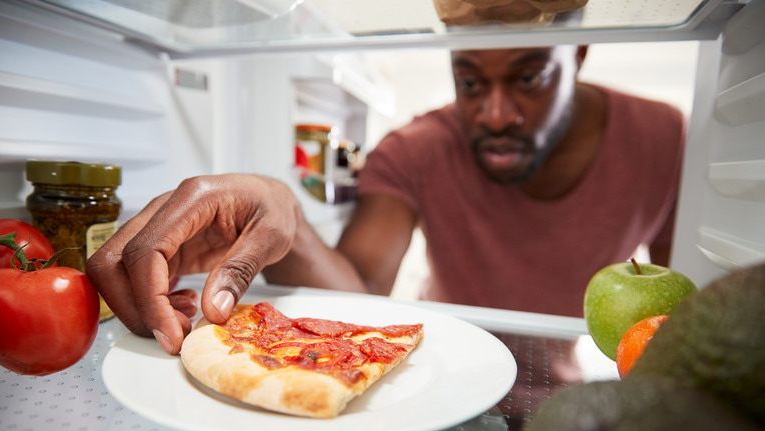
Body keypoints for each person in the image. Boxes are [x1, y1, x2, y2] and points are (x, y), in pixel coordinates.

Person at [86, 45, 686, 355]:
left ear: (578, 55)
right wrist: (283, 209)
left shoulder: (662, 138)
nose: (495, 113)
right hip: (446, 368)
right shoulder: (415, 149)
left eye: (529, 78)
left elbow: (678, 302)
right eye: (470, 81)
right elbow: (359, 296)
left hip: (575, 386)